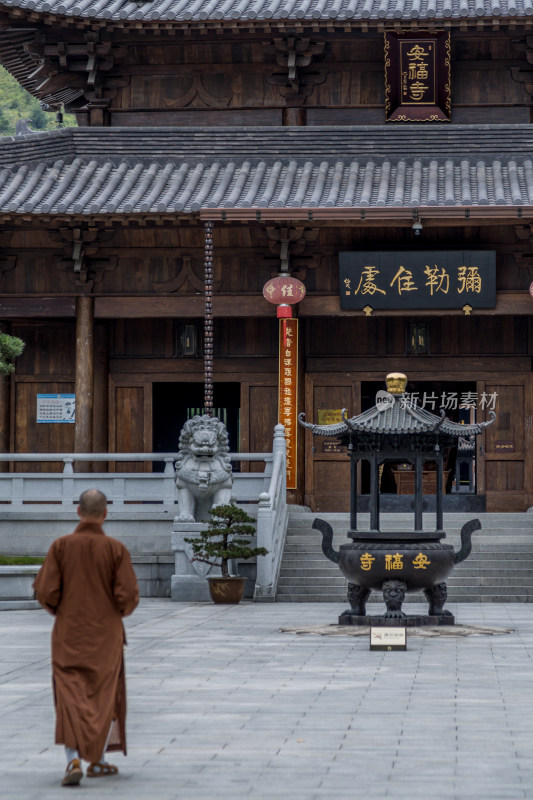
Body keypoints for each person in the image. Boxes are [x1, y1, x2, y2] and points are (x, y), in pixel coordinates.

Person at [34, 489, 139, 787]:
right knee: (103, 695)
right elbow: (128, 596)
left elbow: (44, 591)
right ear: (105, 514)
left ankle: (73, 760)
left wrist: (62, 611)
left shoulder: (61, 546)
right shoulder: (116, 549)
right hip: (106, 637)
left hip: (68, 634)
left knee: (69, 696)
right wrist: (112, 613)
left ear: (78, 512)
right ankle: (99, 759)